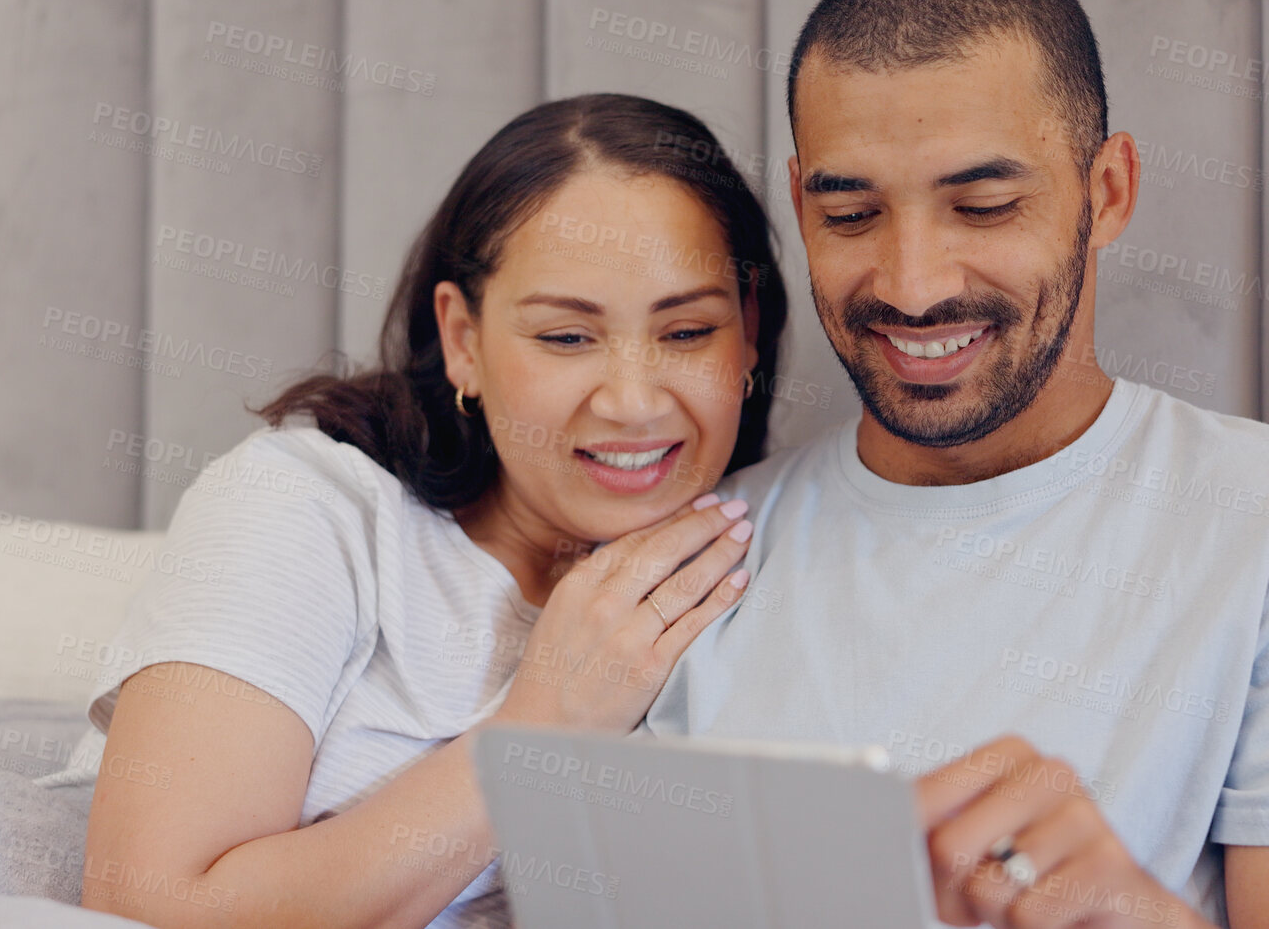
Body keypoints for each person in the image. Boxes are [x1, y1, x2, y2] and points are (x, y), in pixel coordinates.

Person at [642, 0, 1269, 929]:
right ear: (798, 205)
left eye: (984, 205)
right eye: (851, 213)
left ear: (1106, 194)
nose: (911, 283)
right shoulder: (693, 557)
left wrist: (1124, 913)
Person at [75, 93, 789, 928]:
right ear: (463, 339)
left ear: (746, 331)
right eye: (566, 337)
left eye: (687, 332)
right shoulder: (307, 507)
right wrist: (539, 727)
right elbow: (146, 906)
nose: (634, 403)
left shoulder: (774, 556)